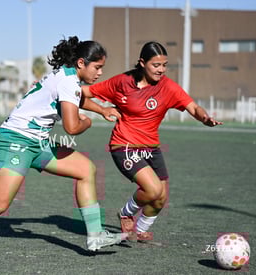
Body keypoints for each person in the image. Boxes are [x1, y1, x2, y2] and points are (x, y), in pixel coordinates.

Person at [0, 36, 126, 259]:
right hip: (14, 141)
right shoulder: (69, 82)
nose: (99, 73)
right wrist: (88, 121)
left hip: (37, 142)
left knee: (86, 170)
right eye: (97, 67)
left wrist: (102, 110)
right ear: (80, 63)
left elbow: (77, 98)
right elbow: (72, 128)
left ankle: (95, 235)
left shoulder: (68, 78)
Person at [81, 41, 222, 243]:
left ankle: (141, 229)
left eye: (164, 65)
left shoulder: (168, 87)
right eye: (156, 65)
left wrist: (205, 118)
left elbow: (193, 107)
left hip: (151, 148)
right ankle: (125, 213)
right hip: (124, 145)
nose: (161, 70)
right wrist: (100, 109)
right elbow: (83, 93)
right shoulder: (122, 82)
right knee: (153, 189)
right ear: (142, 63)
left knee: (161, 197)